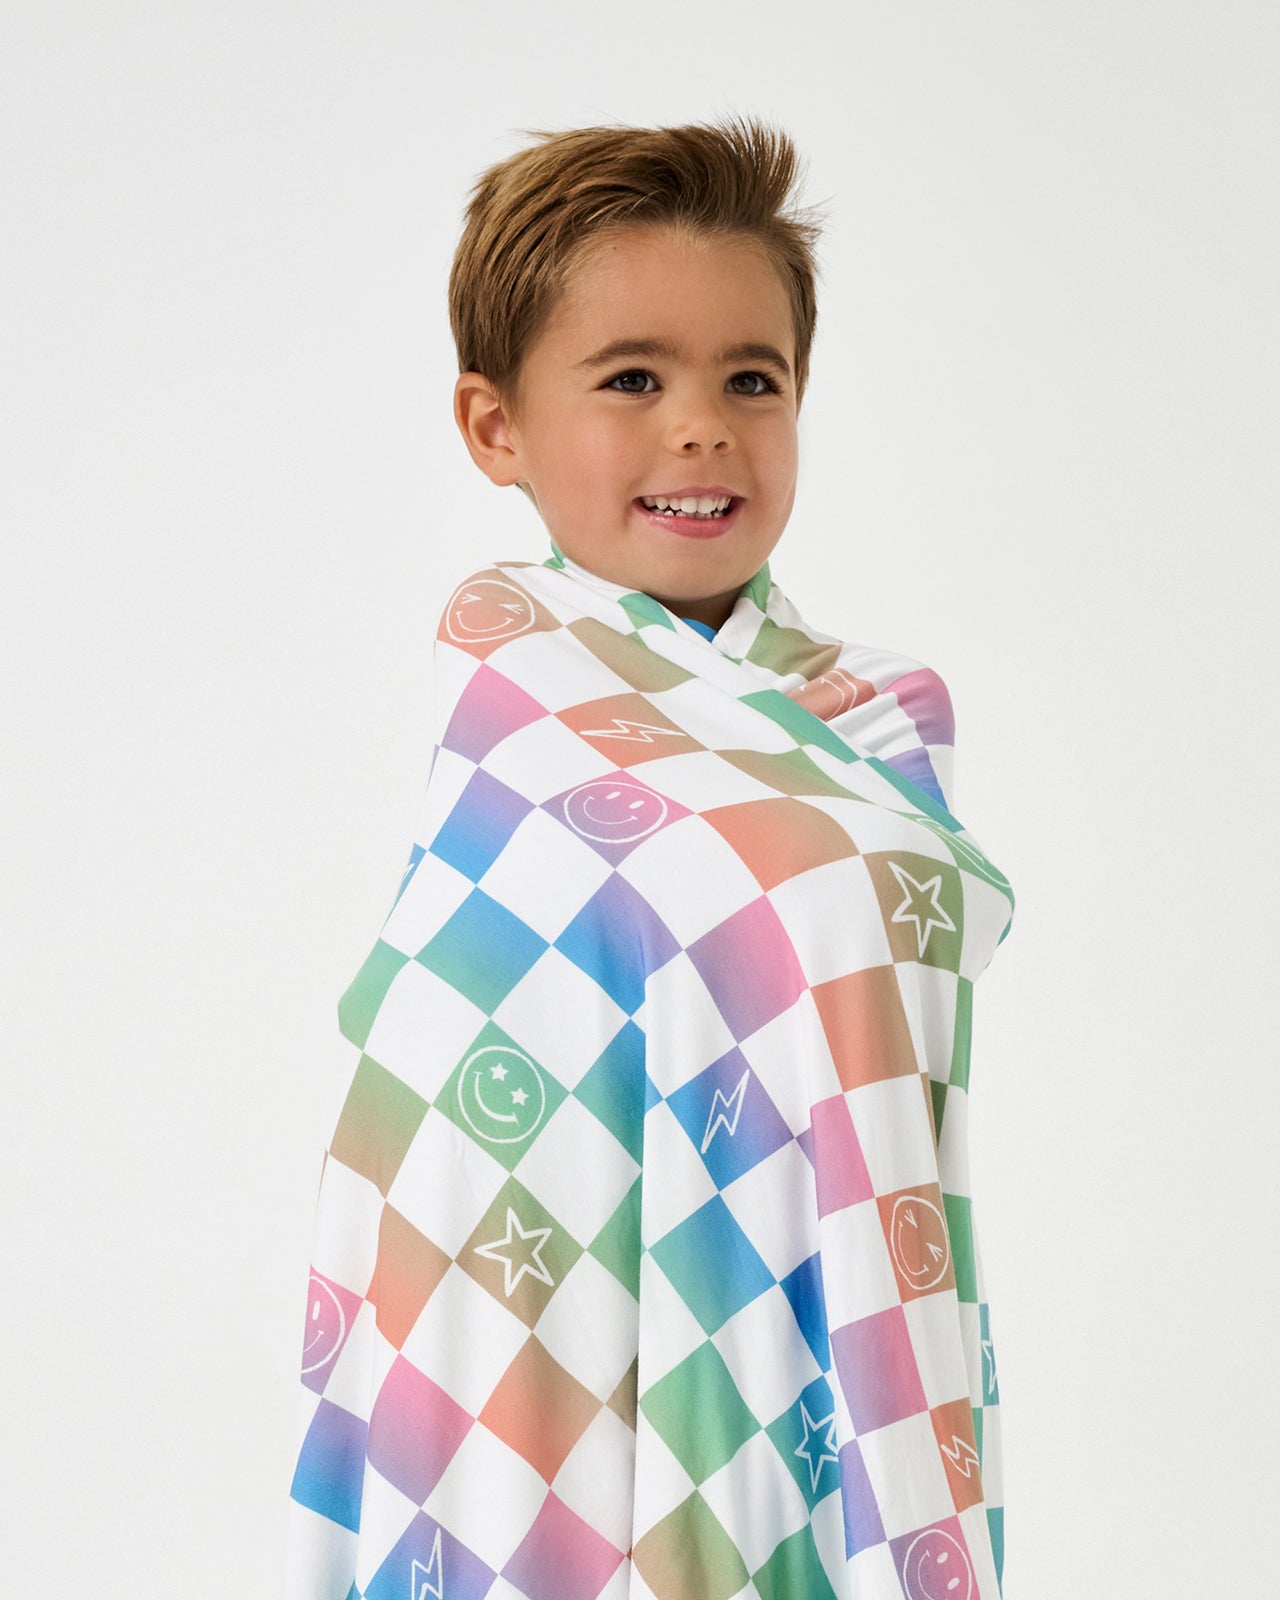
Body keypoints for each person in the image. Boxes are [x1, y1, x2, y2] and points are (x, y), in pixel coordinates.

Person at [287, 116, 1015, 1600]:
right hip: (514, 1317)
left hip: (799, 1315)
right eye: (633, 379)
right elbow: (442, 1051)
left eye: (753, 379)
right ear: (495, 426)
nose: (703, 428)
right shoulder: (511, 688)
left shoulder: (878, 717)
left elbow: (886, 1036)